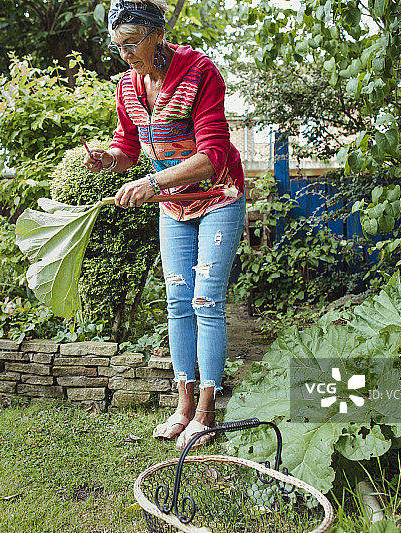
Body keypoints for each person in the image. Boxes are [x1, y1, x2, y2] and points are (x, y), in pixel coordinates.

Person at [84, 0, 246, 449]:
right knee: (177, 303)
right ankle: (183, 406)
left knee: (205, 301)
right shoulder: (127, 86)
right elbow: (128, 148)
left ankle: (208, 412)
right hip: (172, 205)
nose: (126, 54)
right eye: (118, 46)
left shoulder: (200, 72)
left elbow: (212, 155)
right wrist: (108, 160)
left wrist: (151, 182)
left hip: (218, 197)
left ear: (157, 34)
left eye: (132, 43)